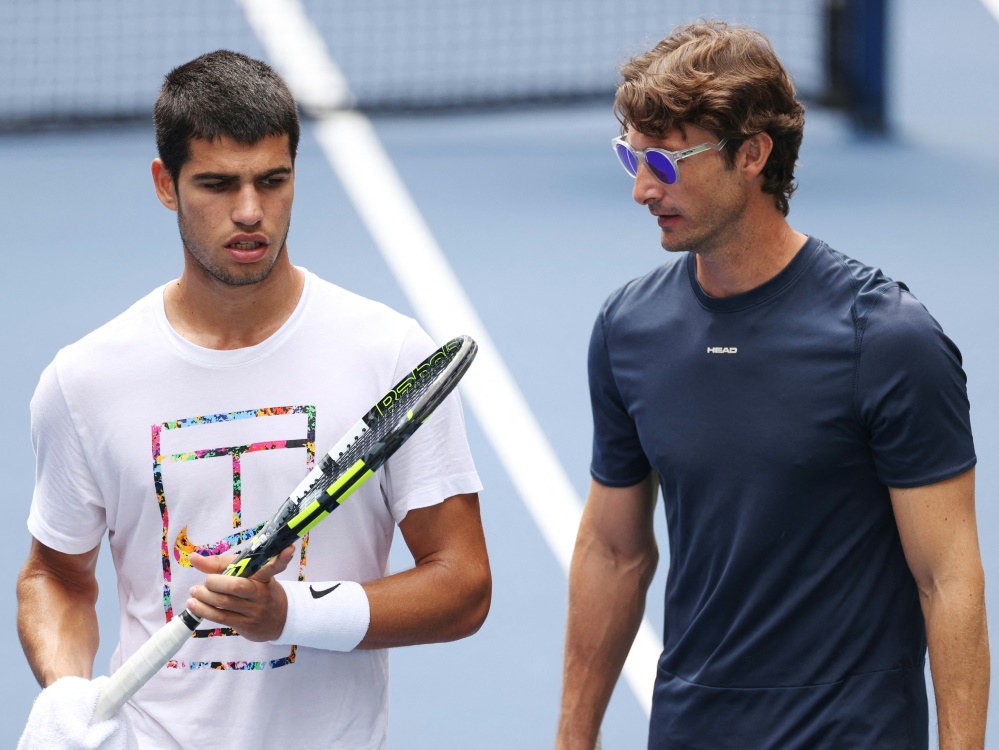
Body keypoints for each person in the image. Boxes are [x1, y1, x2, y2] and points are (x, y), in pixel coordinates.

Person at [17, 50, 490, 749]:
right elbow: (54, 576)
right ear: (164, 184)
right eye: (217, 184)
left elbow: (462, 586)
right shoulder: (84, 381)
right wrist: (66, 694)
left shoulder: (387, 354)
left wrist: (287, 613)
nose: (249, 212)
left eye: (273, 181)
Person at [556, 21, 988, 750]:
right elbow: (613, 551)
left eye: (663, 161)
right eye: (630, 156)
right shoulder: (627, 328)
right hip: (692, 730)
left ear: (751, 154)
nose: (638, 188)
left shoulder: (886, 340)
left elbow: (947, 580)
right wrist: (572, 740)